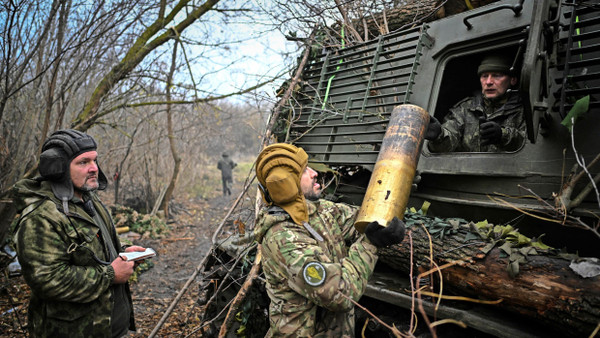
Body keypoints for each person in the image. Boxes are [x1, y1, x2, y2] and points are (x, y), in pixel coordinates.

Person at [254, 143, 405, 337]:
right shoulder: (283, 239)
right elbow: (341, 294)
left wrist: (386, 220)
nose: (314, 173)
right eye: (304, 171)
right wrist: (370, 244)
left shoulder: (318, 211)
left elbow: (361, 221)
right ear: (286, 186)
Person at [12, 129, 146, 337]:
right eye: (83, 162)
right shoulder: (41, 216)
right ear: (59, 169)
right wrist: (110, 274)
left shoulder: (89, 199)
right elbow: (47, 279)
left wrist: (125, 252)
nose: (94, 168)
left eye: (95, 160)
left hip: (110, 327)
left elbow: (95, 248)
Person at [426, 54, 526, 152]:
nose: (488, 82)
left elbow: (531, 147)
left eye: (497, 76)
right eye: (484, 76)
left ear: (513, 80)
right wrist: (439, 135)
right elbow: (448, 144)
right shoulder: (464, 109)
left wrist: (503, 135)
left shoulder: (525, 110)